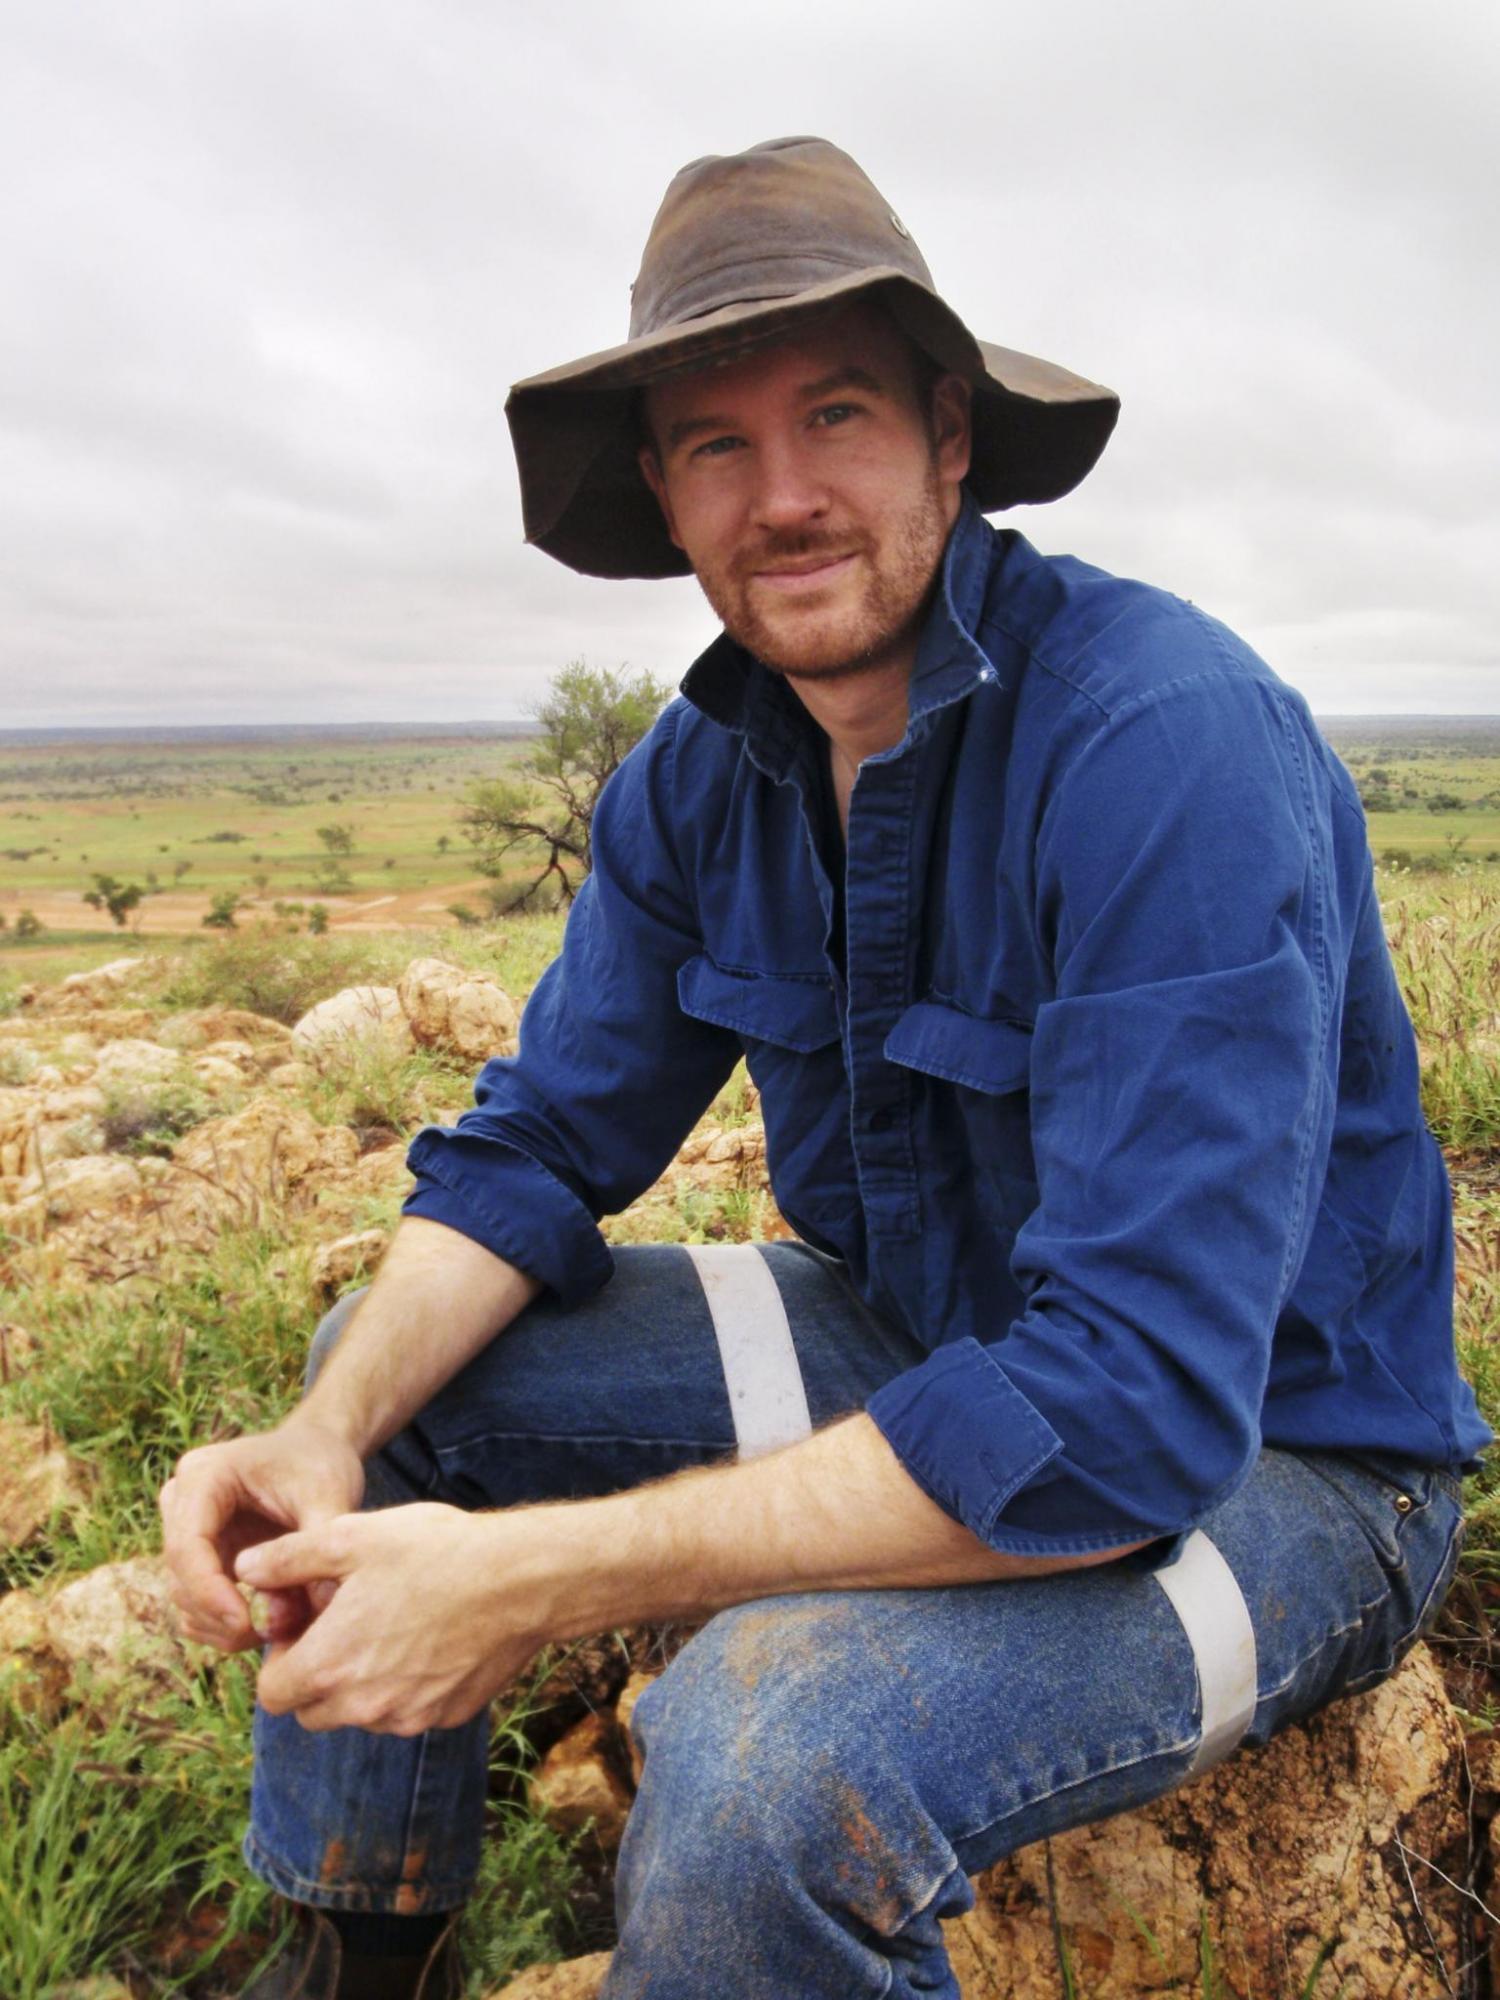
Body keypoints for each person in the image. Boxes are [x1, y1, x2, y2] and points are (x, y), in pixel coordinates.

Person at [160, 136, 1489, 2000]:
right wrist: (323, 1437)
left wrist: (536, 1579)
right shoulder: (702, 777)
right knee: (377, 1396)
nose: (781, 495)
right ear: (663, 490)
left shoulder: (1161, 742)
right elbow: (537, 1146)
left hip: (1289, 1456)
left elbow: (1130, 1409)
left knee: (771, 1747)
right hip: (930, 1335)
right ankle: (358, 1948)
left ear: (951, 436)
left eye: (838, 415)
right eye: (717, 441)